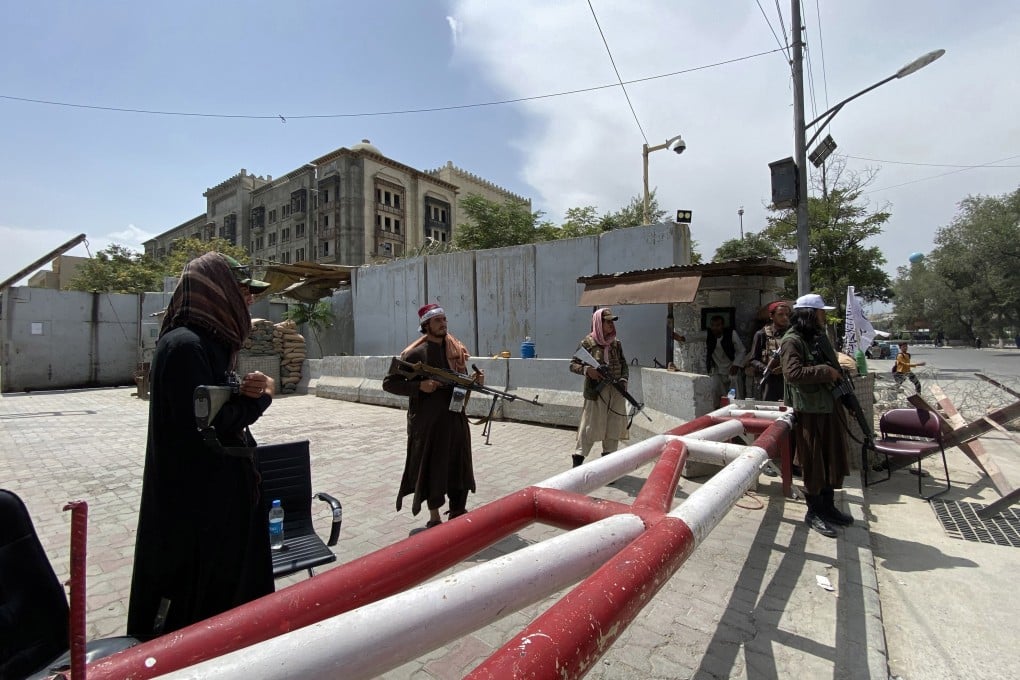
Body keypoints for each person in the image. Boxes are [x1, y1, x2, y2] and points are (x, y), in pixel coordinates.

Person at [127, 252, 276, 639]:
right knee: (198, 618)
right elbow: (208, 426)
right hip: (199, 513)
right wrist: (260, 399)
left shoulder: (208, 344)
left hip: (218, 504)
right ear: (217, 291)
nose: (249, 300)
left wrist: (242, 390)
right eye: (242, 291)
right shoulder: (185, 347)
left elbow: (212, 405)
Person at [382, 303, 479, 529]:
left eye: (444, 319)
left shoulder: (455, 351)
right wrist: (420, 386)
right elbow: (389, 383)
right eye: (438, 321)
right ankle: (434, 517)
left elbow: (462, 381)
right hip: (429, 424)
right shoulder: (416, 354)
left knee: (459, 465)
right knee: (433, 468)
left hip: (455, 419)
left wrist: (475, 382)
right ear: (426, 325)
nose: (443, 324)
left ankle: (458, 510)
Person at [780, 293, 853, 538]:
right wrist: (826, 372)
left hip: (829, 406)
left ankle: (828, 507)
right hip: (810, 411)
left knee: (832, 458)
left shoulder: (817, 338)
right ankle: (815, 512)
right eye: (821, 312)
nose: (824, 316)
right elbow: (793, 373)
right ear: (810, 314)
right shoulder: (792, 341)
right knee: (813, 461)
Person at [569, 308, 630, 468]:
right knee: (589, 427)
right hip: (597, 392)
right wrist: (587, 370)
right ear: (598, 323)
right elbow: (573, 364)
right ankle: (577, 464)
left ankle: (607, 467)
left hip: (616, 391)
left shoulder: (616, 343)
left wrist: (623, 379)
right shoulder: (588, 343)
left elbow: (624, 364)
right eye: (607, 321)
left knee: (613, 428)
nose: (611, 324)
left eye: (612, 321)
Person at [748, 300, 792, 402]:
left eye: (787, 314)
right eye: (780, 314)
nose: (785, 317)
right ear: (771, 316)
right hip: (770, 382)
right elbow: (753, 360)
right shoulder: (761, 334)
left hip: (789, 380)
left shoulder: (792, 334)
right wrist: (768, 369)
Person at [706, 314, 747, 406]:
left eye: (718, 325)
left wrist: (736, 365)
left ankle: (736, 409)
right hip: (718, 370)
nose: (715, 328)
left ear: (722, 326)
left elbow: (741, 350)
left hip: (732, 369)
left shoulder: (731, 334)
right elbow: (695, 336)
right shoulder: (709, 335)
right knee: (715, 390)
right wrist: (681, 338)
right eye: (713, 325)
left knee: (734, 393)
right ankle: (717, 409)